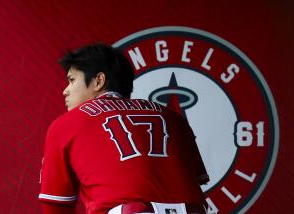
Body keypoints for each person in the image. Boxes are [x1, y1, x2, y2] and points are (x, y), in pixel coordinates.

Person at [39, 43, 209, 214]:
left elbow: (55, 206)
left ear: (99, 81)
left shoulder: (66, 124)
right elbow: (196, 182)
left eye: (72, 80)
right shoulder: (174, 118)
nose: (65, 91)